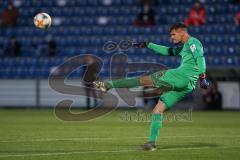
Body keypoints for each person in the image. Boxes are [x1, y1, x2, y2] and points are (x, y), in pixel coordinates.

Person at [93, 22, 209, 151]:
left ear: (182, 32)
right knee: (157, 111)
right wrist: (149, 44)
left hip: (181, 76)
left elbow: (201, 58)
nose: (172, 37)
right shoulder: (185, 47)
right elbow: (168, 51)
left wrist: (203, 77)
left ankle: (107, 85)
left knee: (143, 80)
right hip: (187, 86)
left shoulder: (193, 42)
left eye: (173, 34)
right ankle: (151, 144)